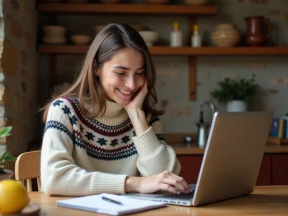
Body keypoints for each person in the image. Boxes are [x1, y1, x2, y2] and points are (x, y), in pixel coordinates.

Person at [40, 23, 191, 196]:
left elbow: (166, 179)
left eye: (140, 73)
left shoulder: (145, 119)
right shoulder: (65, 111)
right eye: (121, 73)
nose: (132, 84)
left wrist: (136, 115)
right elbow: (54, 179)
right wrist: (134, 183)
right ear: (96, 68)